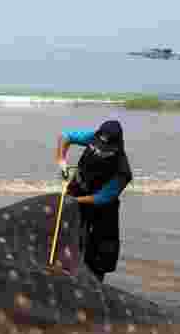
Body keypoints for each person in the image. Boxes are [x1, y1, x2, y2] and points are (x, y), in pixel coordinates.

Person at [54, 120, 133, 282]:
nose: (99, 152)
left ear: (116, 148)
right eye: (97, 147)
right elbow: (65, 136)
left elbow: (101, 198)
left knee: (102, 251)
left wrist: (74, 200)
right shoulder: (93, 136)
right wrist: (61, 160)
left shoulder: (122, 172)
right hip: (78, 188)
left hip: (102, 205)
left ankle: (95, 281)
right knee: (68, 234)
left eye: (105, 151)